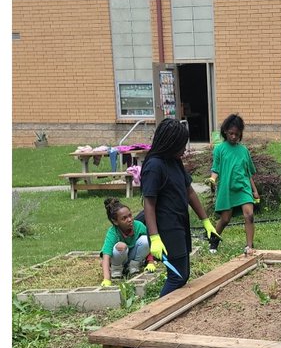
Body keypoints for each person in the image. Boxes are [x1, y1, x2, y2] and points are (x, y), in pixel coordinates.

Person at [140, 117, 218, 296]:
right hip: (166, 227)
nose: (184, 149)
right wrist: (155, 238)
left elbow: (189, 191)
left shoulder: (174, 162)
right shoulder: (154, 166)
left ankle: (170, 311)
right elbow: (149, 203)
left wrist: (206, 221)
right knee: (177, 276)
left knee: (182, 274)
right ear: (170, 144)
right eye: (181, 145)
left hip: (180, 222)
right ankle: (158, 313)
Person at [207, 113, 259, 255]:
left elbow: (248, 173)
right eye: (231, 133)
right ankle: (214, 240)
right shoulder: (219, 149)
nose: (234, 137)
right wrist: (212, 179)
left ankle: (249, 246)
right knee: (225, 219)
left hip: (243, 188)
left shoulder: (244, 151)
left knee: (249, 215)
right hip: (227, 188)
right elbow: (216, 169)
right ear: (225, 132)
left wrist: (254, 190)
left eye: (237, 134)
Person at [99, 198, 152, 286]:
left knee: (146, 240)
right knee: (121, 246)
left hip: (131, 256)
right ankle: (116, 271)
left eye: (130, 215)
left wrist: (151, 262)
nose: (129, 219)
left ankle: (134, 267)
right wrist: (106, 279)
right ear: (115, 221)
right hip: (118, 258)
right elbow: (106, 256)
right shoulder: (112, 233)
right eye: (124, 218)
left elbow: (151, 243)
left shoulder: (138, 225)